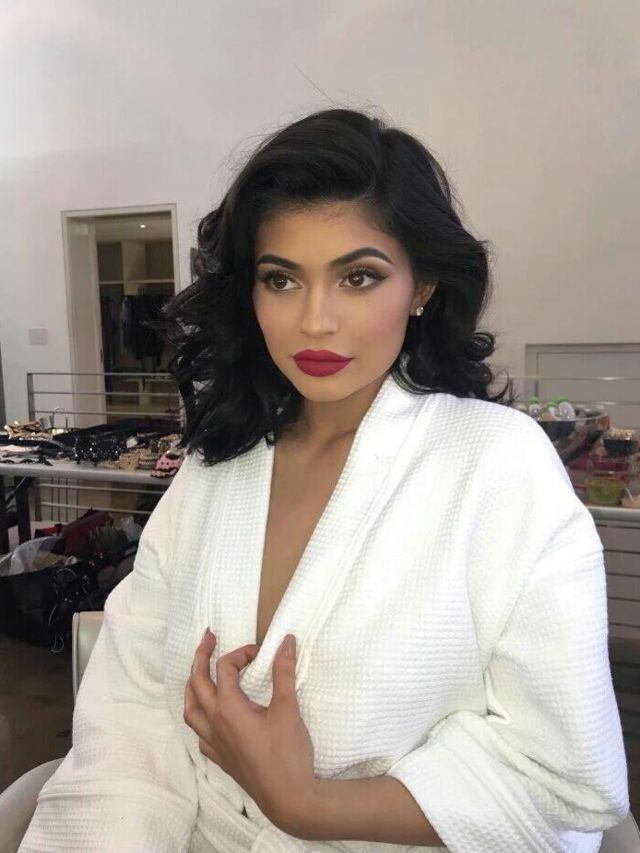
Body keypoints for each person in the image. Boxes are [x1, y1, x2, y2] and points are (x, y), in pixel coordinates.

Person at [20, 108, 629, 852]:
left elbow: (564, 775)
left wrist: (307, 804)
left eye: (358, 276)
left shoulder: (499, 465)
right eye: (281, 279)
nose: (315, 321)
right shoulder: (217, 466)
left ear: (422, 284)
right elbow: (133, 709)